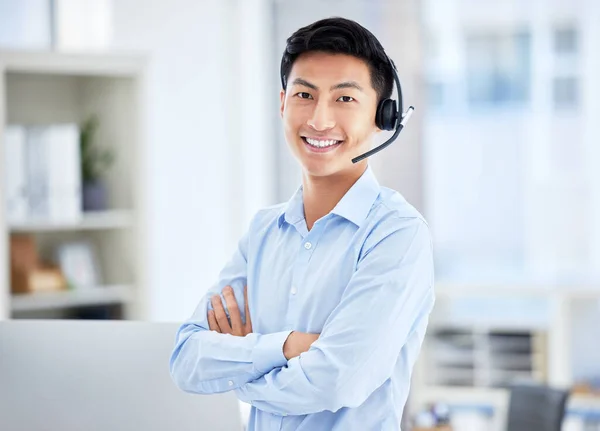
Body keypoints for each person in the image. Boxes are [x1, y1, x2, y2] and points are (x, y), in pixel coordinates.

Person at [170, 16, 435, 431]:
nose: (319, 120)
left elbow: (336, 381)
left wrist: (241, 366)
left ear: (382, 116)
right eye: (304, 95)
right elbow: (187, 359)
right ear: (282, 104)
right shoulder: (263, 232)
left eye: (345, 99)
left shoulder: (396, 234)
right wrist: (290, 347)